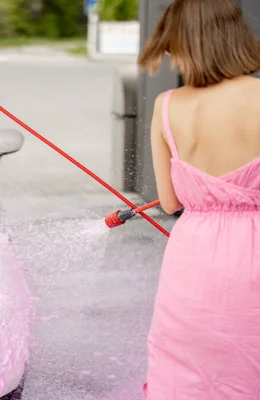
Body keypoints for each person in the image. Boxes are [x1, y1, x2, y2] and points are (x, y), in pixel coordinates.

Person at [137, 0, 260, 398]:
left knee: (189, 371)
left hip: (194, 261)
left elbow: (169, 202)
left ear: (182, 45)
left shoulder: (166, 106)